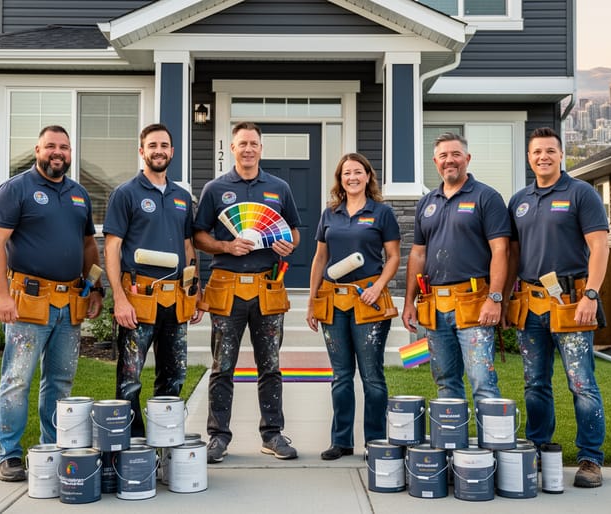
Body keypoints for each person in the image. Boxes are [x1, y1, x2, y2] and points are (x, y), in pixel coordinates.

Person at [0, 125, 103, 482]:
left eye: (64, 147)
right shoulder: (15, 189)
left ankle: (51, 447)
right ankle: (9, 453)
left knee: (61, 381)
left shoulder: (79, 194)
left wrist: (96, 287)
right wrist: (2, 295)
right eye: (50, 146)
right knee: (17, 379)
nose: (58, 152)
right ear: (37, 150)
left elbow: (88, 247)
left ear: (70, 153)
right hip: (28, 302)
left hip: (70, 304)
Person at [505, 127, 608, 488]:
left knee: (581, 383)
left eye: (550, 150)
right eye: (537, 152)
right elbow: (513, 254)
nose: (543, 157)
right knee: (535, 383)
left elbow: (599, 246)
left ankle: (590, 459)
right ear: (529, 157)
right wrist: (503, 298)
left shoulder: (581, 194)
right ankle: (537, 448)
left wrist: (591, 296)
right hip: (530, 305)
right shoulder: (519, 199)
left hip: (572, 302)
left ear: (561, 155)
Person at [194, 121, 301, 463]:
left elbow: (294, 233)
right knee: (222, 366)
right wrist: (226, 245)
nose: (249, 149)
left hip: (267, 288)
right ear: (233, 148)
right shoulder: (215, 189)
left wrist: (287, 245)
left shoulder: (279, 188)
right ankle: (218, 437)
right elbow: (199, 236)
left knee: (270, 365)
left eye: (254, 143)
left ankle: (272, 434)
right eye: (242, 144)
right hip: (226, 288)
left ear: (260, 148)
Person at [103, 123, 203, 437]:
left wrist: (194, 291)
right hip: (138, 297)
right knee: (130, 377)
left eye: (164, 145)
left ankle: (165, 440)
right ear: (142, 151)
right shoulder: (126, 193)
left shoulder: (182, 196)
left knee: (174, 375)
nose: (158, 150)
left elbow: (189, 246)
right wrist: (119, 297)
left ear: (172, 152)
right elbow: (112, 248)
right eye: (152, 145)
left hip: (176, 300)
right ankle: (132, 445)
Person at [401, 133, 510, 409]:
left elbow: (501, 250)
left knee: (482, 380)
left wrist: (495, 298)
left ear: (467, 159)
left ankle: (491, 448)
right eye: (444, 156)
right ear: (435, 162)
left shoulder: (487, 197)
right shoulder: (427, 203)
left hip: (474, 302)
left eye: (456, 155)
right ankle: (453, 446)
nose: (450, 160)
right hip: (434, 305)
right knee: (445, 380)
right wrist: (409, 302)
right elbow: (418, 253)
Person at [306, 153, 400, 460]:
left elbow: (394, 257)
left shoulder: (382, 213)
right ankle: (341, 440)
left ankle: (375, 440)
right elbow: (320, 258)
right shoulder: (329, 213)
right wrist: (312, 301)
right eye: (347, 173)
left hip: (368, 301)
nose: (352, 178)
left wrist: (378, 287)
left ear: (368, 176)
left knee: (372, 376)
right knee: (341, 375)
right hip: (334, 301)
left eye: (358, 172)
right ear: (340, 179)